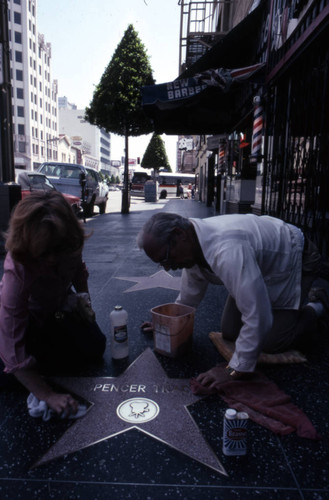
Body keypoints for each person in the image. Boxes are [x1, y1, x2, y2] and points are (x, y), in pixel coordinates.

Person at [137, 212, 327, 387]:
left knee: (272, 342)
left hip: (294, 258)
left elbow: (258, 316)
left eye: (167, 258)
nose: (168, 268)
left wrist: (233, 370)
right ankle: (256, 293)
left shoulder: (227, 250)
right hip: (256, 267)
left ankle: (317, 305)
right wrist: (168, 323)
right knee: (229, 331)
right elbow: (190, 295)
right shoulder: (191, 242)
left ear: (179, 234)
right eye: (161, 263)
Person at [0, 191, 106, 416]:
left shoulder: (70, 243)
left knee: (95, 346)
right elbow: (11, 339)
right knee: (10, 373)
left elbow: (78, 271)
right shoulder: (18, 265)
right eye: (44, 253)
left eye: (58, 251)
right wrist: (47, 395)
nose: (51, 260)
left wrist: (84, 301)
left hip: (57, 308)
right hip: (27, 317)